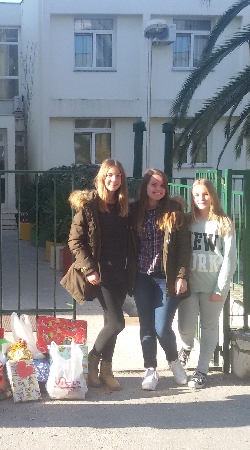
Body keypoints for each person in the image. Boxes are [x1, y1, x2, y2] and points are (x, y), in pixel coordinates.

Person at [65, 159, 135, 391]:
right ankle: (92, 361)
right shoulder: (89, 206)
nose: (114, 180)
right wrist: (89, 269)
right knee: (117, 322)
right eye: (110, 175)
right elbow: (75, 241)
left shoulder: (125, 207)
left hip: (122, 272)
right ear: (102, 178)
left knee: (109, 323)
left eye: (119, 176)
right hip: (101, 274)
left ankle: (106, 371)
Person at [130, 168, 190, 391]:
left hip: (167, 278)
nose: (158, 189)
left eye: (162, 185)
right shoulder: (134, 211)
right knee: (146, 326)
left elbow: (184, 247)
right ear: (145, 186)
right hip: (141, 277)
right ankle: (150, 370)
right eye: (154, 184)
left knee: (162, 327)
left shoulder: (174, 210)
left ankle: (174, 362)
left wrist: (181, 276)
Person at [177, 178, 237, 388]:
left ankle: (201, 371)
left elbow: (230, 258)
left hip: (213, 286)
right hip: (190, 284)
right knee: (185, 326)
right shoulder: (187, 221)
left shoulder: (223, 222)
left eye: (205, 194)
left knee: (209, 327)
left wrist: (220, 288)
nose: (201, 198)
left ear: (212, 196)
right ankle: (186, 346)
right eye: (196, 195)